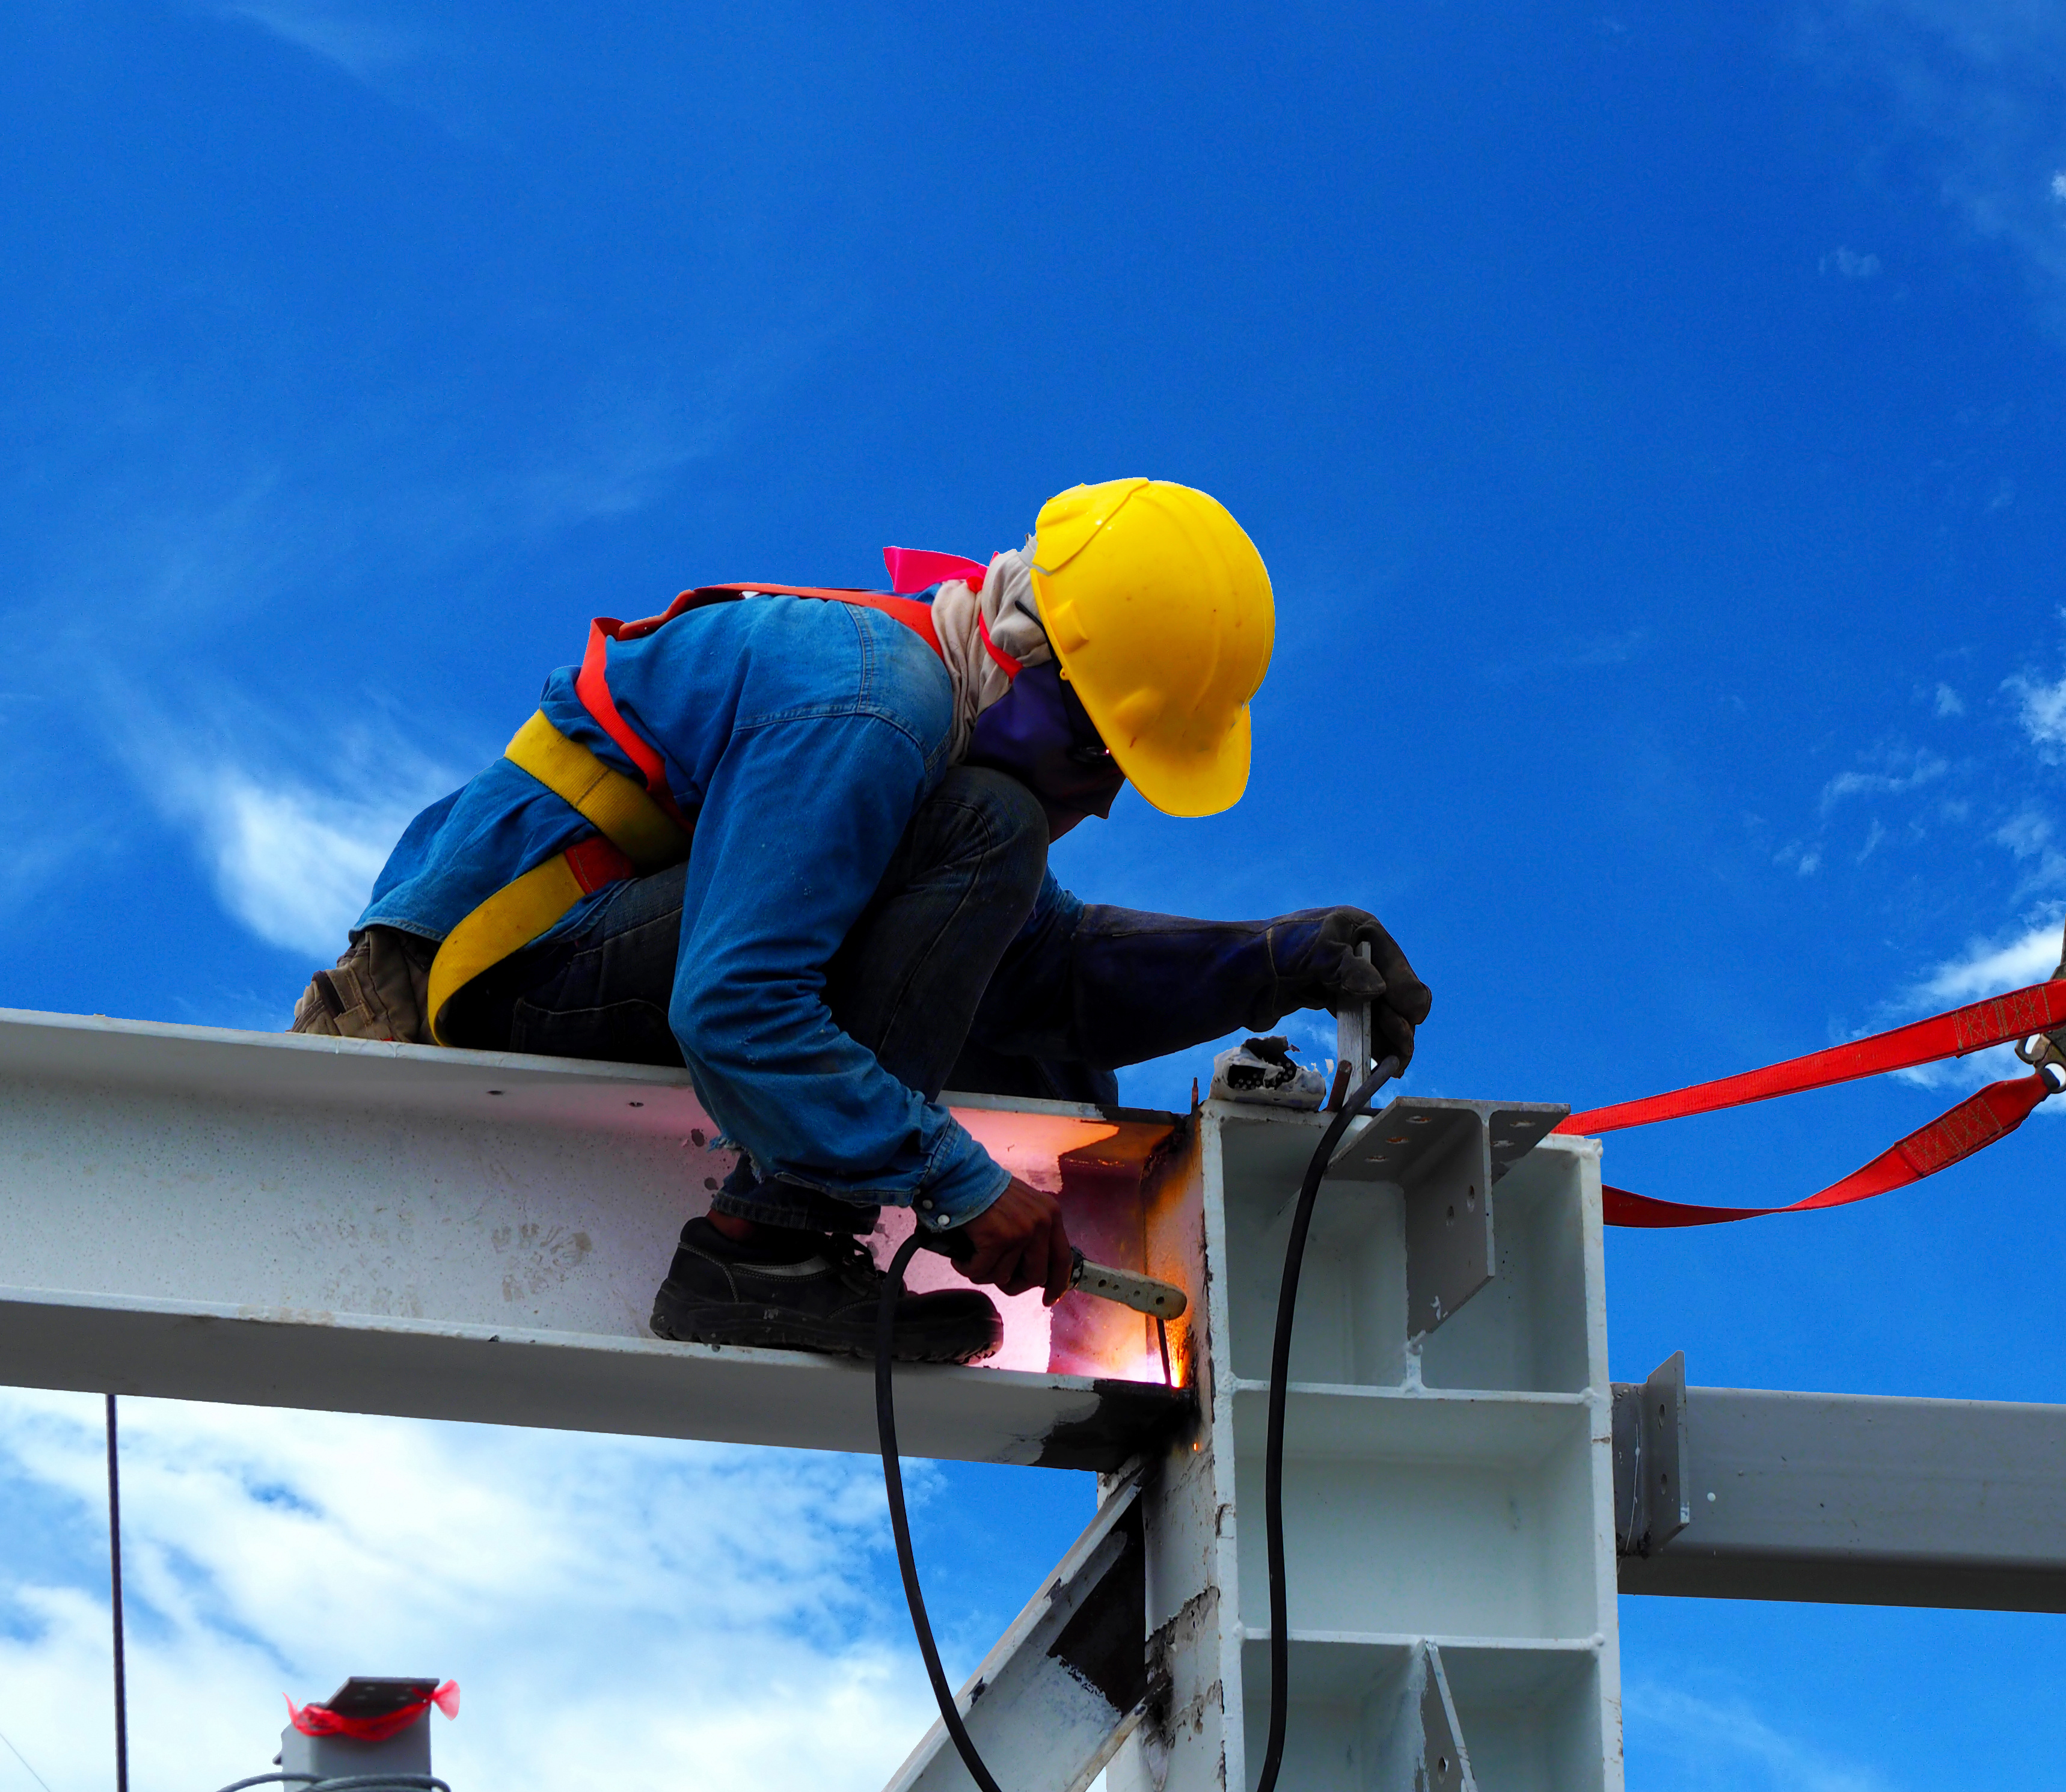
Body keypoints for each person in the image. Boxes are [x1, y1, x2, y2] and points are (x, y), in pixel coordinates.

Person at [288, 478, 1430, 1364]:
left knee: (1026, 988)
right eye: (1104, 755)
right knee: (991, 829)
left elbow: (1042, 965)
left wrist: (1277, 959)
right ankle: (767, 1254)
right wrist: (963, 1177)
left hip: (571, 957)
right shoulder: (879, 705)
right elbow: (734, 1006)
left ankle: (791, 1223)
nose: (1105, 796)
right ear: (1035, 672)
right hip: (483, 983)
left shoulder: (916, 711)